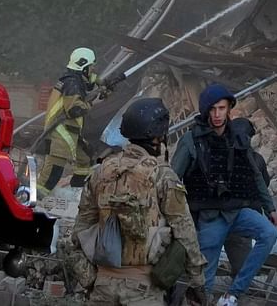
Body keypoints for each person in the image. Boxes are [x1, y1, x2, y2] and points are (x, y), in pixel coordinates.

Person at [62, 97, 206, 306]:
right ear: (158, 137)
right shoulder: (162, 176)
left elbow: (79, 234)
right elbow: (185, 233)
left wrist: (91, 280)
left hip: (102, 286)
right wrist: (198, 282)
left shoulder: (101, 172)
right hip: (143, 290)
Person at [171, 84, 277, 306]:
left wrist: (271, 208)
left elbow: (256, 175)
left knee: (269, 233)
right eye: (212, 109)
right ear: (205, 111)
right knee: (204, 285)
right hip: (209, 217)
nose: (218, 114)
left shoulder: (238, 137)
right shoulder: (192, 141)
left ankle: (233, 294)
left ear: (229, 108)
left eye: (222, 108)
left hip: (237, 212)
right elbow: (172, 180)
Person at [35, 47, 105, 196]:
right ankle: (33, 203)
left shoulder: (73, 80)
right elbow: (74, 110)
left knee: (86, 158)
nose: (93, 69)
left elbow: (88, 86)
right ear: (83, 66)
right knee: (52, 173)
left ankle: (76, 193)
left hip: (69, 131)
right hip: (60, 132)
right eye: (91, 66)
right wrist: (93, 103)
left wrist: (102, 83)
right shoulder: (72, 83)